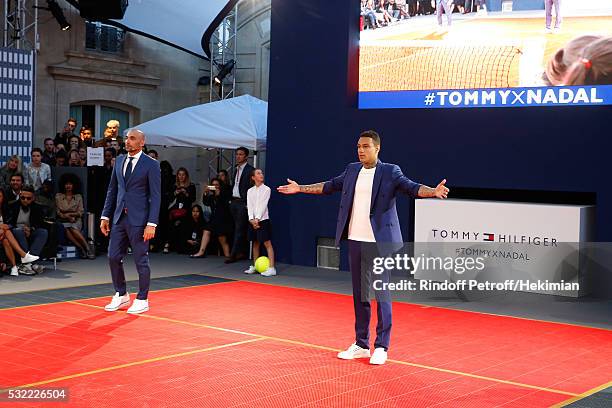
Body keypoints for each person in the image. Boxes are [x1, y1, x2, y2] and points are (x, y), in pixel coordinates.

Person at [278, 130, 449, 365]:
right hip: (356, 240)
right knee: (360, 295)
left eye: (366, 146)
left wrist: (433, 192)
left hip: (380, 243)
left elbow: (411, 188)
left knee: (382, 294)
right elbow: (328, 186)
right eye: (358, 146)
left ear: (377, 148)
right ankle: (361, 344)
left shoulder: (390, 171)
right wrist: (300, 188)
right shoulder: (351, 170)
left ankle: (382, 346)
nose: (360, 150)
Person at [101, 129, 161, 314]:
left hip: (140, 220)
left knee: (140, 260)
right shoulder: (119, 161)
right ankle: (121, 293)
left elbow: (156, 196)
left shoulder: (151, 164)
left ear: (142, 142)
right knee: (112, 256)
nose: (128, 141)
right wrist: (105, 215)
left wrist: (152, 223)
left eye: (132, 138)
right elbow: (112, 190)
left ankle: (142, 298)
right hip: (119, 217)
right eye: (127, 138)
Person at [6, 185, 48, 275]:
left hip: (30, 230)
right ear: (20, 196)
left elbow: (40, 223)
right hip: (15, 231)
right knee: (18, 231)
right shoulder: (12, 205)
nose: (25, 200)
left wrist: (31, 229)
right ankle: (28, 263)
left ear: (33, 198)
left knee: (43, 232)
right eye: (23, 198)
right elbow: (8, 222)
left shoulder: (37, 208)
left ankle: (29, 263)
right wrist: (19, 228)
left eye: (28, 198)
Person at [244, 169, 276, 276]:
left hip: (263, 220)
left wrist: (257, 219)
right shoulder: (250, 191)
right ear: (253, 178)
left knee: (267, 243)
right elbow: (250, 206)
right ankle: (255, 266)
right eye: (258, 173)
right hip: (253, 221)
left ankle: (271, 268)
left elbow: (263, 205)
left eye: (262, 173)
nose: (261, 175)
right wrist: (251, 219)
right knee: (255, 243)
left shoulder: (267, 189)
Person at [191, 177, 232, 258]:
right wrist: (205, 193)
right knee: (206, 231)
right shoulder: (212, 196)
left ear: (220, 186)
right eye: (213, 185)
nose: (215, 186)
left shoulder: (224, 194)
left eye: (217, 185)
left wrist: (219, 195)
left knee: (222, 239)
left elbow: (226, 205)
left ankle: (228, 256)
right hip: (213, 220)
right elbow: (206, 202)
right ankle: (201, 252)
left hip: (222, 220)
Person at [226, 147, 254, 263]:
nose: (238, 156)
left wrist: (248, 203)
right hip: (234, 201)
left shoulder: (250, 170)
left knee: (239, 228)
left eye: (241, 154)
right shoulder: (236, 169)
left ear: (246, 156)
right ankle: (241, 252)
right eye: (237, 154)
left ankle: (233, 254)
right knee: (236, 228)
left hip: (243, 202)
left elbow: (252, 188)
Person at [0, 189, 38, 276]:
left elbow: (10, 223)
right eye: (23, 197)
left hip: (3, 234)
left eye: (0, 196)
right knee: (7, 231)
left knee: (6, 239)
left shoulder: (5, 209)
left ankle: (14, 268)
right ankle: (23, 256)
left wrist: (4, 228)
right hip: (3, 231)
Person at [56, 173, 93, 259]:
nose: (68, 186)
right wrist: (68, 216)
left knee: (72, 227)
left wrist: (72, 215)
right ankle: (83, 248)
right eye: (66, 184)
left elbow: (81, 211)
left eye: (70, 184)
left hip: (76, 219)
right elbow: (58, 212)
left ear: (74, 185)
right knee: (66, 228)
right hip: (63, 220)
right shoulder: (58, 196)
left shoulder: (78, 196)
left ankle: (86, 248)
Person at [164, 167, 196, 253]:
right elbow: (169, 198)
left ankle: (181, 246)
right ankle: (168, 243)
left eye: (183, 175)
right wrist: (175, 193)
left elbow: (193, 199)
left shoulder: (191, 186)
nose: (181, 177)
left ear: (186, 176)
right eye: (179, 175)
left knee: (183, 224)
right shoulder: (174, 186)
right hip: (175, 209)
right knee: (170, 223)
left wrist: (186, 193)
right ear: (177, 176)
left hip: (186, 210)